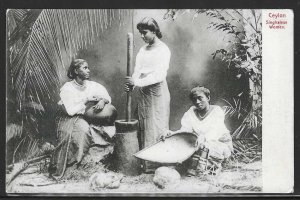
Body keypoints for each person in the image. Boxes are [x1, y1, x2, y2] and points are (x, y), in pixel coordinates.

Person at [50, 59, 117, 180]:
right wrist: (86, 100)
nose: (88, 70)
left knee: (84, 130)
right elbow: (70, 111)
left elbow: (107, 97)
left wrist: (102, 100)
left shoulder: (92, 85)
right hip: (67, 117)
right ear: (76, 71)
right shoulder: (68, 88)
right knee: (75, 133)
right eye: (84, 68)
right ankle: (67, 165)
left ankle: (76, 163)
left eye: (88, 68)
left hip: (82, 116)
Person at [124, 17, 171, 173]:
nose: (142, 36)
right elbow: (137, 71)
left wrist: (137, 83)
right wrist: (133, 81)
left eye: (144, 33)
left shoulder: (163, 49)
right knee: (145, 126)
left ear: (154, 31)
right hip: (144, 93)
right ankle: (147, 165)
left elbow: (159, 75)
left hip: (157, 92)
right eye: (140, 33)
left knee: (156, 127)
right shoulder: (143, 50)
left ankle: (158, 165)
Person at [162, 86, 233, 176]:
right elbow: (185, 131)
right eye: (194, 99)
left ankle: (203, 169)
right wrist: (172, 134)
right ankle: (194, 167)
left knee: (205, 148)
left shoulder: (217, 111)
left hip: (219, 143)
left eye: (200, 98)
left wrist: (204, 138)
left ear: (208, 98)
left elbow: (215, 131)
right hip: (199, 144)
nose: (197, 102)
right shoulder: (190, 113)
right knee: (183, 146)